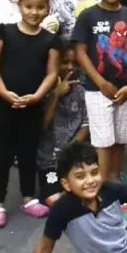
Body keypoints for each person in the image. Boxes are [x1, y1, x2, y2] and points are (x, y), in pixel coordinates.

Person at [0, 0, 61, 228]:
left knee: (29, 152)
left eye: (40, 8)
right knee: (2, 154)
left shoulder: (50, 39)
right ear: (20, 6)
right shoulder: (4, 31)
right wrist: (4, 93)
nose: (34, 12)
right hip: (3, 105)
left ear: (48, 9)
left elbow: (52, 73)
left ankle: (28, 197)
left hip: (32, 105)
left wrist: (38, 95)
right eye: (29, 7)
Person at [72, 0, 127, 184]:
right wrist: (100, 82)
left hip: (125, 89)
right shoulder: (88, 16)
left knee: (121, 137)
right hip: (97, 90)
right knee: (103, 140)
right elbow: (80, 52)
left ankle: (114, 178)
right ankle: (101, 184)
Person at [36, 45, 88, 206]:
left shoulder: (82, 91)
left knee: (83, 191)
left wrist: (70, 150)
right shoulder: (42, 90)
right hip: (50, 159)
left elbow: (86, 125)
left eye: (75, 63)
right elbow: (42, 125)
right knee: (53, 199)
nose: (71, 68)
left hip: (74, 155)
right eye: (65, 63)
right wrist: (56, 95)